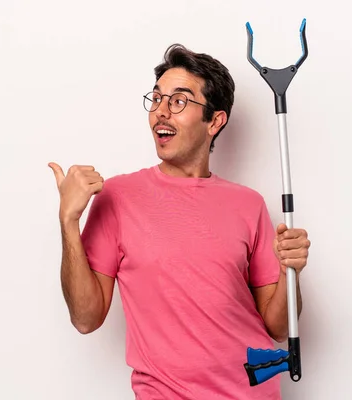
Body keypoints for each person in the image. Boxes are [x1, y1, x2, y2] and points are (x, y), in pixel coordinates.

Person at [48, 44, 311, 400]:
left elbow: (279, 326)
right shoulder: (118, 197)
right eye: (156, 100)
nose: (161, 112)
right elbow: (85, 318)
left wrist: (289, 271)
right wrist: (68, 221)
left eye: (179, 101)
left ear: (215, 121)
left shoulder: (248, 204)